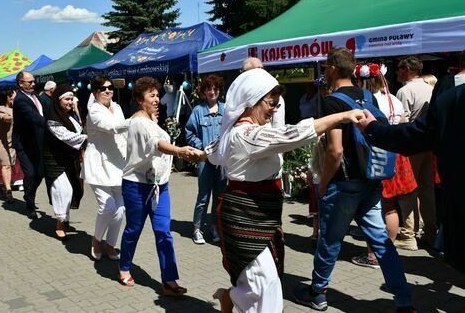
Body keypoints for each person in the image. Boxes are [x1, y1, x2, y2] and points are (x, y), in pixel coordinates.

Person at [201, 67, 363, 313]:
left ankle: (232, 297)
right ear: (252, 101)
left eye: (277, 104)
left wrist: (193, 153)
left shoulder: (240, 133)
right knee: (265, 285)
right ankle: (233, 297)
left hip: (263, 214)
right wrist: (341, 116)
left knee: (265, 282)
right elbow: (292, 134)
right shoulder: (244, 134)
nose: (274, 109)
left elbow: (212, 151)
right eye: (271, 103)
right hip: (242, 216)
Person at [294, 48, 414, 312]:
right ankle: (404, 300)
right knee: (382, 243)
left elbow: (335, 151)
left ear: (333, 69)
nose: (325, 71)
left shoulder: (332, 101)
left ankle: (318, 292)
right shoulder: (368, 96)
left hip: (343, 184)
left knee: (330, 241)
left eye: (326, 67)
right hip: (371, 179)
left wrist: (323, 183)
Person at [358, 83, 465, 273]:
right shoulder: (452, 97)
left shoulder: (455, 98)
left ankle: (411, 235)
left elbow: (414, 135)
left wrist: (373, 129)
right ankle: (420, 233)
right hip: (421, 156)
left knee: (403, 198)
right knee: (419, 193)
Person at [118, 76, 200, 296]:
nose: (156, 99)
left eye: (157, 95)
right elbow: (158, 144)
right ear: (139, 99)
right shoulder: (139, 122)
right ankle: (124, 266)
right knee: (133, 229)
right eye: (151, 96)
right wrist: (181, 150)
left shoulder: (150, 120)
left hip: (159, 185)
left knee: (164, 232)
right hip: (136, 186)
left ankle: (169, 280)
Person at [350, 63, 418, 268]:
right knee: (390, 206)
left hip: (376, 154)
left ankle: (373, 255)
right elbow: (404, 122)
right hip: (397, 154)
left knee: (375, 206)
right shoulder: (394, 99)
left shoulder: (366, 101)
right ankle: (386, 251)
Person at [84, 76, 128, 260]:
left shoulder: (116, 107)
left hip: (118, 163)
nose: (107, 91)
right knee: (108, 207)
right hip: (99, 164)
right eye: (102, 88)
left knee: (121, 210)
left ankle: (110, 245)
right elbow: (112, 127)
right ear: (95, 92)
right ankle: (96, 240)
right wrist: (138, 119)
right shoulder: (93, 111)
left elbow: (123, 135)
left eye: (110, 87)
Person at [396, 56, 436, 246]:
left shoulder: (405, 90)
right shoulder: (430, 88)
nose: (396, 72)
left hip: (412, 144)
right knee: (427, 191)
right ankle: (430, 232)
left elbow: (402, 122)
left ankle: (408, 236)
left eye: (399, 68)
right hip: (428, 144)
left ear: (408, 69)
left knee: (408, 190)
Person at [185, 74, 226, 244]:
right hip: (205, 161)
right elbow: (188, 132)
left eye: (215, 88)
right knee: (203, 196)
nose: (212, 91)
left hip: (222, 161)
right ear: (204, 91)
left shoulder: (226, 110)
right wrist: (202, 147)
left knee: (219, 196)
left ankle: (215, 226)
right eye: (209, 89)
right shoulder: (198, 111)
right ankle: (197, 228)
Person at [43, 84, 87, 239]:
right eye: (67, 99)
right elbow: (66, 137)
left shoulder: (69, 116)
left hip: (70, 160)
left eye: (72, 99)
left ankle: (64, 219)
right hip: (55, 161)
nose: (70, 102)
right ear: (58, 100)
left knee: (73, 189)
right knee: (63, 190)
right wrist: (88, 138)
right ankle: (60, 224)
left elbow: (79, 129)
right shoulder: (52, 118)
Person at [13, 71, 45, 220]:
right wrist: (51, 126)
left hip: (37, 143)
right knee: (30, 173)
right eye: (29, 82)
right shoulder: (20, 100)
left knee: (39, 173)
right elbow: (34, 117)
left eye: (33, 81)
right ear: (21, 83)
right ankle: (30, 205)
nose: (33, 84)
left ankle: (28, 193)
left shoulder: (35, 96)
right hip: (23, 145)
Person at [0, 89, 17, 203]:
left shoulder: (14, 108)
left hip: (11, 141)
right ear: (5, 97)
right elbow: (6, 119)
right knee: (6, 165)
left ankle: (4, 185)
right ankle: (8, 191)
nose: (13, 98)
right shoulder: (0, 109)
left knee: (10, 164)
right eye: (11, 96)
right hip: (0, 142)